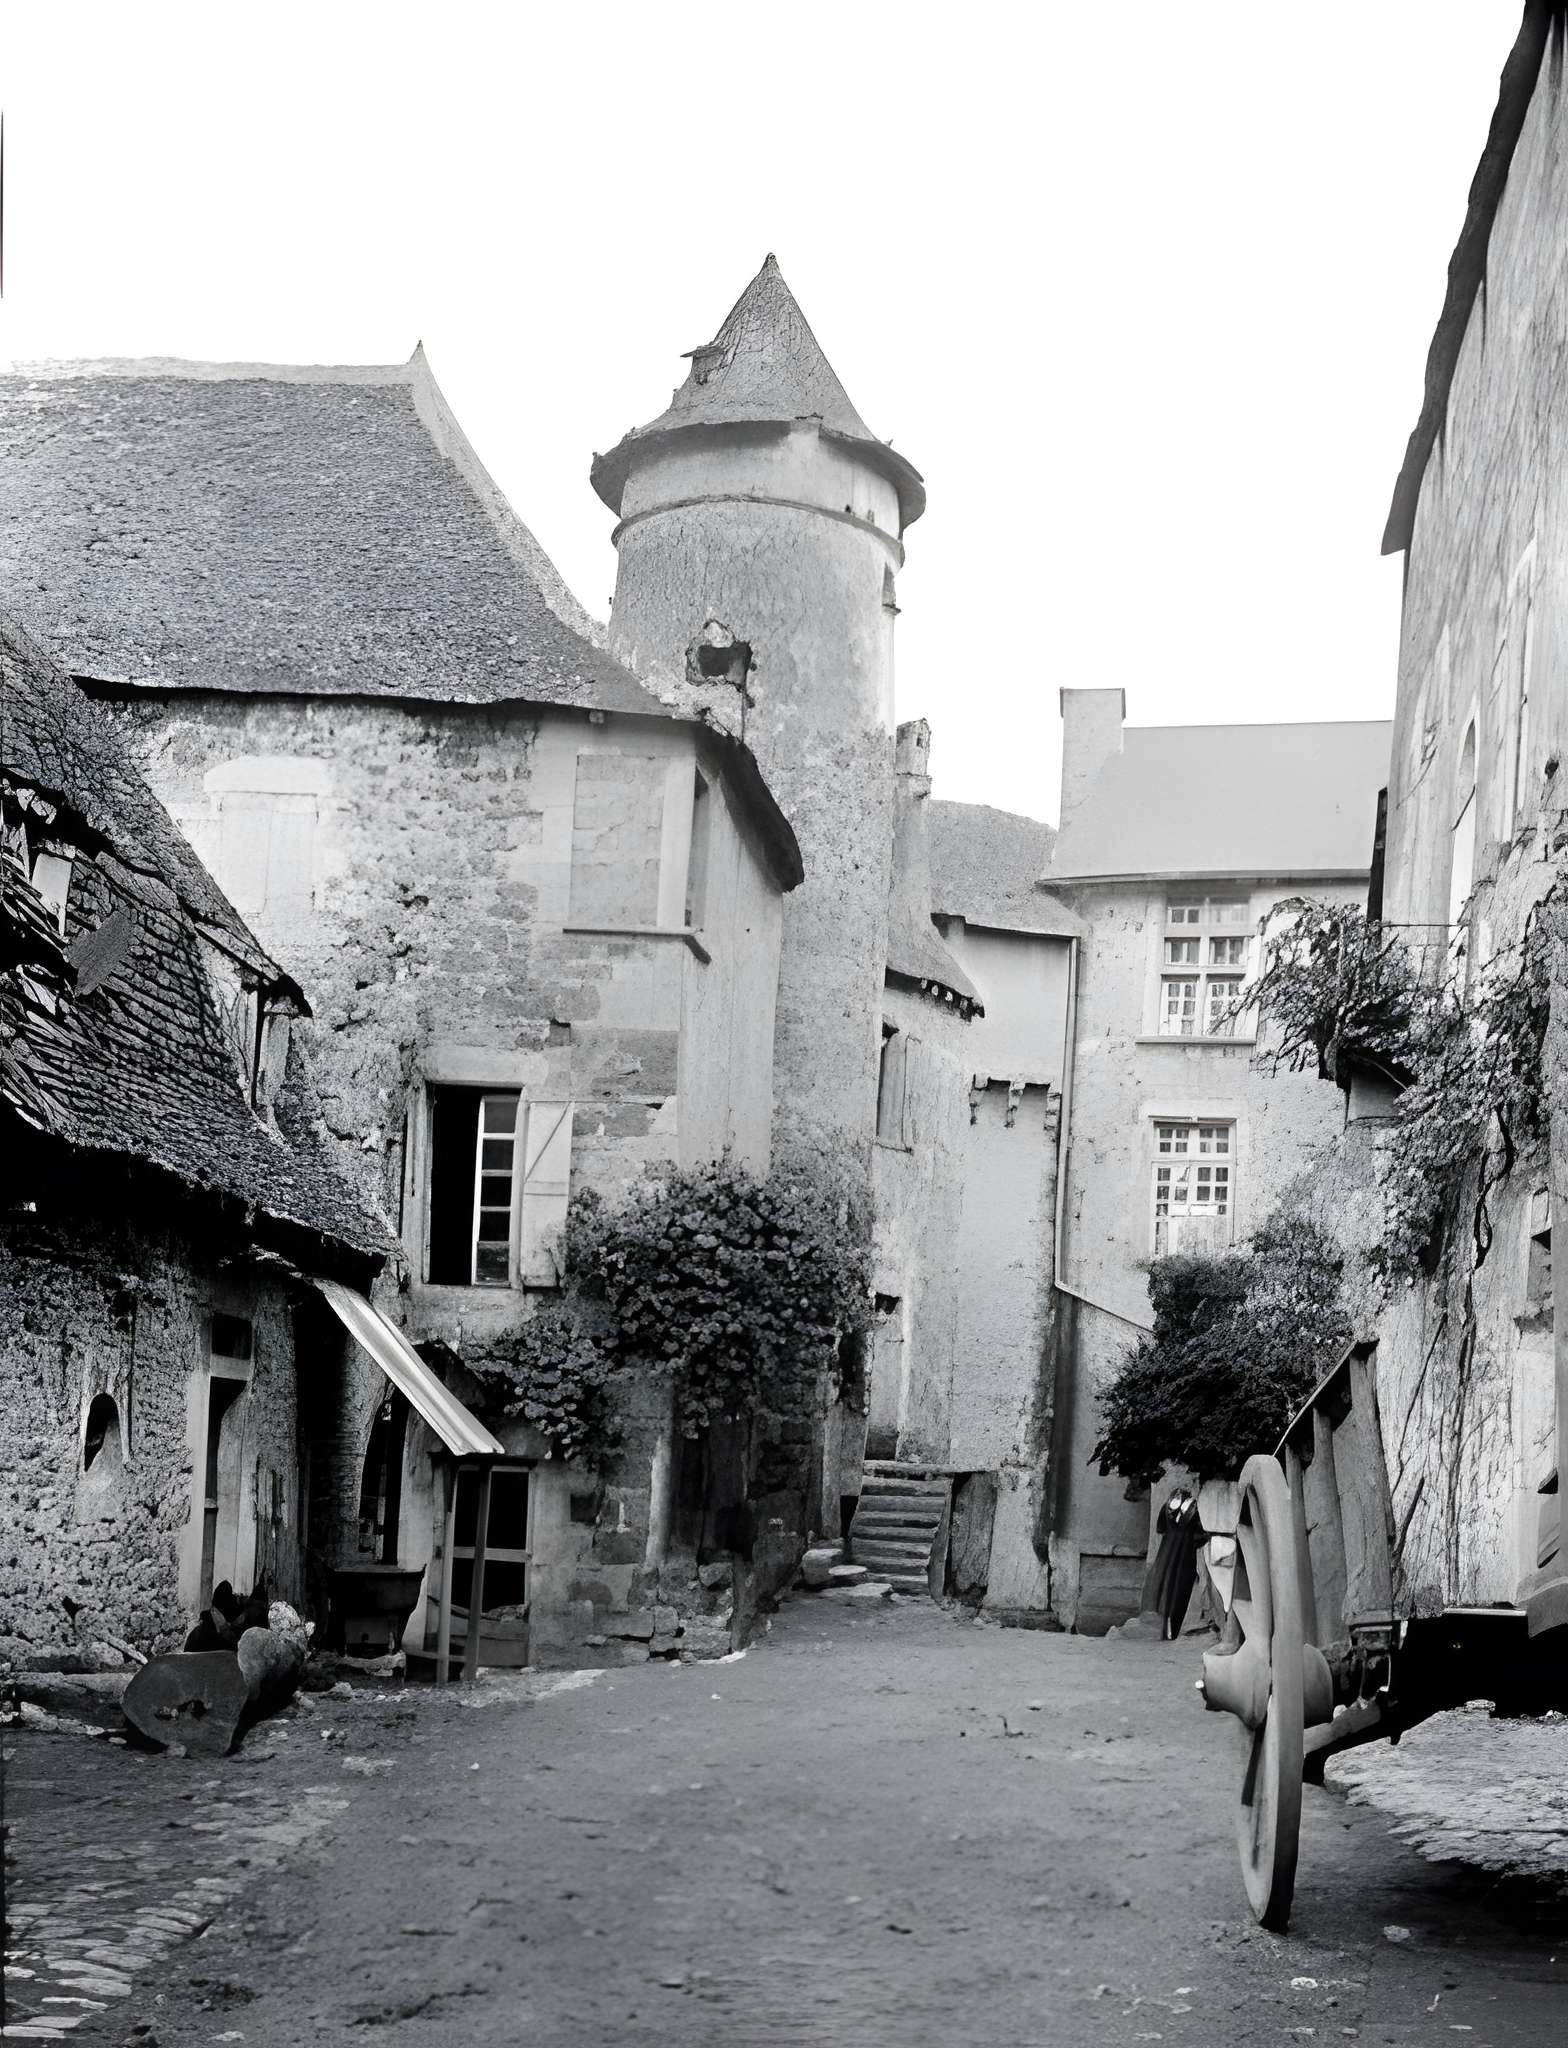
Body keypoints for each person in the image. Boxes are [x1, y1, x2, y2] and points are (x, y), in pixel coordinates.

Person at [1149, 1485, 1205, 1640]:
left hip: (1167, 1552)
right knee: (1181, 1591)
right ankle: (1173, 1630)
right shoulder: (1194, 1511)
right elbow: (1200, 1535)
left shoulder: (1166, 1507)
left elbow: (1160, 1528)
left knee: (1164, 1588)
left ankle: (1162, 1629)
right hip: (1185, 1554)